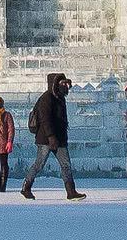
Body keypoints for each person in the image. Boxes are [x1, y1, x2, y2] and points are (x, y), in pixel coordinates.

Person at [22, 72, 83, 200]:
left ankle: (71, 192)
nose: (65, 86)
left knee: (66, 165)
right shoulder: (47, 98)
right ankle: (26, 187)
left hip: (60, 138)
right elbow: (46, 119)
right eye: (62, 83)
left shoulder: (60, 97)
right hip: (46, 138)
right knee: (39, 164)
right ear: (54, 84)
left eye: (66, 83)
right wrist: (51, 136)